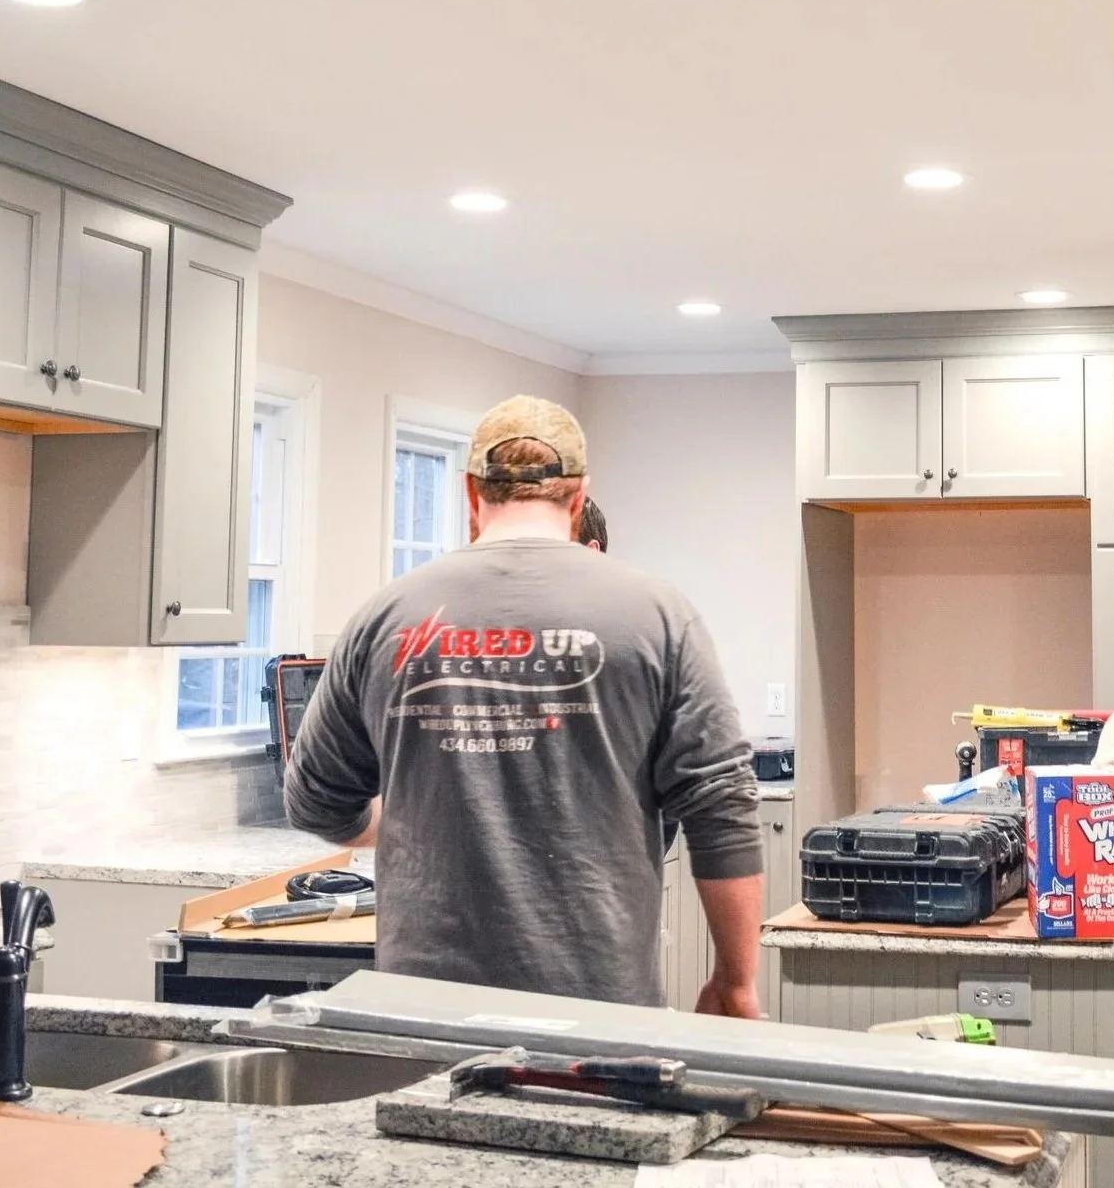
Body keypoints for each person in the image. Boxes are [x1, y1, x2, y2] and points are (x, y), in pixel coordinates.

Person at [284, 395, 765, 1016]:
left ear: (470, 492)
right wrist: (734, 979)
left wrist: (407, 825)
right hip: (599, 1007)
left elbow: (315, 801)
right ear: (578, 495)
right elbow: (722, 805)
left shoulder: (385, 617)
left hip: (422, 1006)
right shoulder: (655, 616)